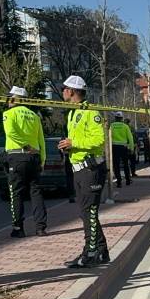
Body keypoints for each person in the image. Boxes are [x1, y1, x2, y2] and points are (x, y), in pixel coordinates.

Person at [58, 75, 110, 268]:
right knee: (87, 213)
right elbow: (79, 140)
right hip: (79, 169)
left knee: (89, 212)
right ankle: (102, 251)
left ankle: (90, 253)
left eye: (64, 88)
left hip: (91, 169)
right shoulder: (72, 113)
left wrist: (74, 143)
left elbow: (99, 140)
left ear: (72, 91)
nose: (62, 92)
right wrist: (68, 146)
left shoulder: (90, 111)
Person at [2, 86, 47, 238]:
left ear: (15, 99)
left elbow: (11, 132)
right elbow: (41, 140)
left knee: (16, 192)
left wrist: (24, 145)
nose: (8, 100)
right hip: (34, 157)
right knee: (36, 192)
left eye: (10, 97)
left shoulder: (8, 114)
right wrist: (42, 159)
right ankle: (41, 227)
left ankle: (18, 228)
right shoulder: (35, 116)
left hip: (17, 156)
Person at [109, 111, 134, 188]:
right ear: (122, 118)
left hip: (114, 147)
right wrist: (131, 148)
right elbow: (130, 138)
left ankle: (119, 181)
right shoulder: (125, 126)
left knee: (116, 165)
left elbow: (108, 136)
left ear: (115, 118)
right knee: (126, 164)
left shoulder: (111, 126)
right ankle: (127, 180)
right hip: (123, 147)